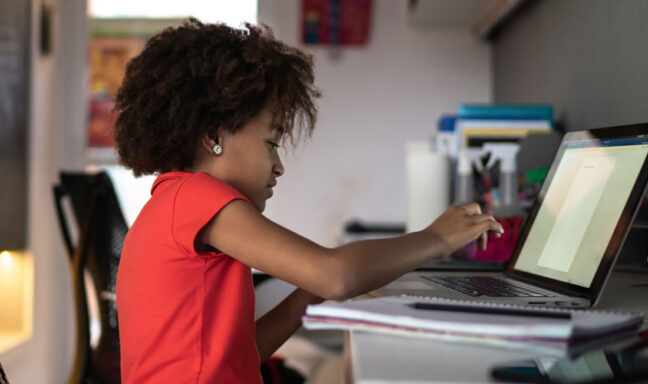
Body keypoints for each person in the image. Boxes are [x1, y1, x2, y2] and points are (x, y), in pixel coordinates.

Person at [114, 18, 503, 384]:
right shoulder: (196, 196)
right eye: (271, 142)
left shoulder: (172, 203)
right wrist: (436, 238)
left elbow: (238, 356)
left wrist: (308, 294)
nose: (279, 165)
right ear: (214, 135)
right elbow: (337, 275)